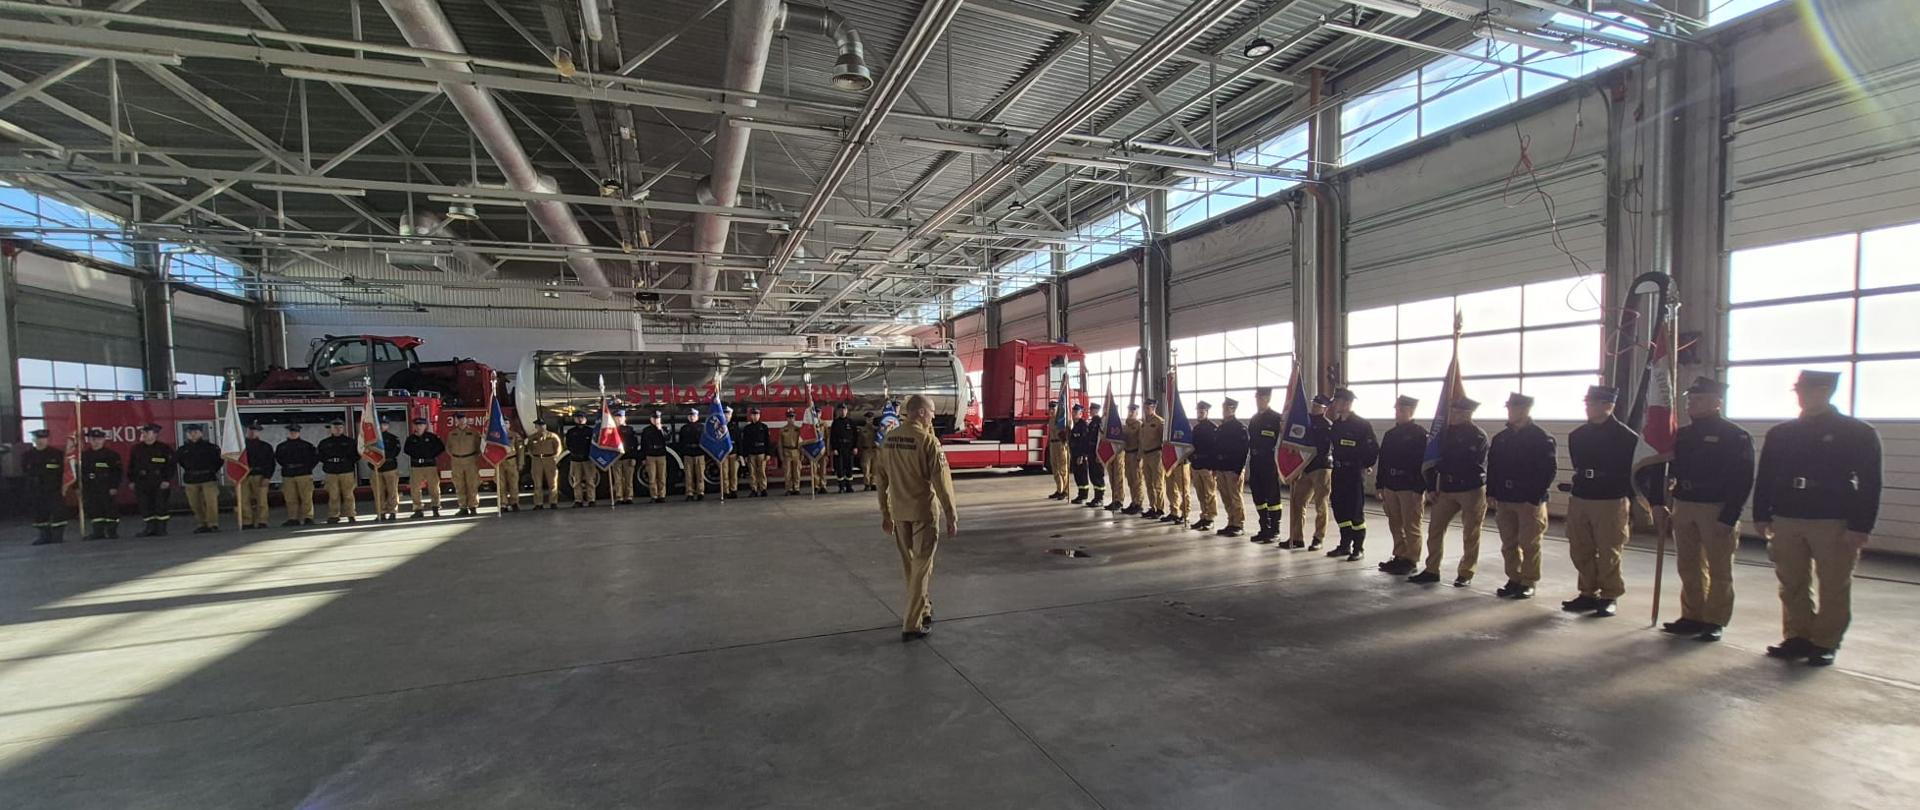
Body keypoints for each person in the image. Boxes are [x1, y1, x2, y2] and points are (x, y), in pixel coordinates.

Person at [1753, 370, 1881, 667]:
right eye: (1798, 389)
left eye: (1807, 389)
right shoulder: (1782, 433)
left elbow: (1870, 482)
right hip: (1787, 514)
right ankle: (1798, 635)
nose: (1801, 394)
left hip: (1832, 516)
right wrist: (1761, 514)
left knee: (1834, 583)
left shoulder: (1856, 432)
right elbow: (1767, 476)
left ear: (1825, 391)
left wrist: (1861, 525)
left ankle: (1825, 642)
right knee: (1791, 580)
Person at [1650, 377, 1753, 642]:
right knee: (1689, 564)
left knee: (1719, 568)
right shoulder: (1680, 435)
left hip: (1715, 507)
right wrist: (1657, 503)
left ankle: (1715, 619)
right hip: (1684, 503)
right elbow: (1660, 469)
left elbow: (1742, 479)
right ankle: (1692, 615)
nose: (1690, 403)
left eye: (1697, 399)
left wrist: (1730, 515)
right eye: (1689, 399)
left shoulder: (1734, 435)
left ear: (1716, 402)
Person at [873, 394, 958, 643]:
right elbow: (942, 484)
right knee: (921, 567)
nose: (933, 415)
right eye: (931, 411)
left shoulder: (889, 439)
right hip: (923, 513)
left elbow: (880, 480)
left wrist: (885, 513)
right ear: (920, 413)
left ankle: (924, 608)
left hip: (899, 513)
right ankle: (912, 624)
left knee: (912, 567)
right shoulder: (928, 441)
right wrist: (952, 514)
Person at [1560, 386, 1639, 618]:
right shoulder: (1577, 435)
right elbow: (1579, 465)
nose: (1588, 407)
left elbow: (1631, 472)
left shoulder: (1626, 437)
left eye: (1593, 404)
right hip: (1582, 495)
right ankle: (1587, 592)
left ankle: (1609, 594)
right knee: (1580, 547)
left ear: (1608, 405)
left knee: (1609, 549)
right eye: (1587, 403)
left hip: (1610, 498)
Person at [1409, 397, 1487, 586]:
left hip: (1470, 489)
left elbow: (1474, 463)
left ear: (1468, 414)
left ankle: (1466, 573)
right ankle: (1432, 569)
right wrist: (1431, 487)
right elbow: (1433, 461)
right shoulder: (1443, 435)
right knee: (1435, 529)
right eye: (1452, 412)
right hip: (1446, 488)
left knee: (1471, 532)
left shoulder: (1478, 435)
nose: (1453, 415)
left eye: (1459, 412)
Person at [1487, 393, 1556, 599]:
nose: (1510, 412)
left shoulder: (1541, 438)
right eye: (1508, 408)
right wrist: (1492, 491)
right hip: (1506, 498)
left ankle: (1528, 581)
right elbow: (1493, 468)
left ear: (1525, 410)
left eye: (1514, 408)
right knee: (1508, 542)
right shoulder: (1501, 438)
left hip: (1529, 500)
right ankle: (1513, 578)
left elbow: (1547, 471)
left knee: (1529, 543)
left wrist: (1534, 497)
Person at [1375, 396, 1427, 575]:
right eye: (1397, 410)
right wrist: (1380, 485)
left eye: (1402, 410)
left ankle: (1411, 559)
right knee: (1395, 523)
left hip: (1409, 487)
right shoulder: (1391, 434)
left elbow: (1423, 465)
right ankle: (1399, 554)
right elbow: (1383, 461)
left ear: (1411, 412)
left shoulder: (1420, 434)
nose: (1398, 413)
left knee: (1411, 525)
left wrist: (1419, 489)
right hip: (1391, 485)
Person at [1324, 390, 1377, 562]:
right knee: (1340, 507)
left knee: (1355, 510)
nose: (1335, 405)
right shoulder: (1337, 425)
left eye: (1337, 401)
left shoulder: (1361, 425)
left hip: (1354, 473)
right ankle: (1345, 544)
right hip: (1338, 472)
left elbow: (1372, 449)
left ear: (1346, 403)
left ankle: (1358, 547)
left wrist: (1365, 465)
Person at [1285, 395, 1335, 550]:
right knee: (1297, 502)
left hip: (1321, 467)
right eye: (1314, 405)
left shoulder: (1327, 425)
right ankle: (1296, 537)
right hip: (1305, 468)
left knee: (1321, 504)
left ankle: (1318, 538)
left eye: (1318, 406)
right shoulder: (1304, 422)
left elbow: (1325, 448)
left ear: (1325, 409)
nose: (1315, 408)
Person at [1245, 388, 1284, 543]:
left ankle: (1275, 530)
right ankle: (1264, 527)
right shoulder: (1254, 419)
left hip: (1270, 462)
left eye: (1261, 398)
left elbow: (1281, 442)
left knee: (1272, 497)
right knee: (1258, 496)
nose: (1258, 400)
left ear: (1268, 399)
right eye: (1257, 398)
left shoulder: (1276, 418)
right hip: (1256, 461)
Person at [127, 423, 177, 537]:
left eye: (146, 432)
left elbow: (171, 466)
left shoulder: (164, 448)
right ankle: (149, 528)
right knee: (145, 505)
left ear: (155, 434)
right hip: (142, 482)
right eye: (143, 433)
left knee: (160, 505)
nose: (143, 435)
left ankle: (161, 528)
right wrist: (132, 480)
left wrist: (166, 480)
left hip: (159, 482)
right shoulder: (137, 449)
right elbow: (131, 466)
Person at [1212, 398, 1249, 538]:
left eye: (1228, 408)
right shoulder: (1221, 427)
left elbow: (1244, 450)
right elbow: (1216, 449)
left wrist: (1239, 469)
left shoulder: (1239, 428)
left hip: (1233, 468)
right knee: (1226, 497)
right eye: (1224, 408)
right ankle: (1231, 522)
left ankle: (1239, 524)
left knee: (1235, 497)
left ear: (1233, 410)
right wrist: (1215, 467)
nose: (1225, 411)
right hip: (1221, 468)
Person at [176, 425, 222, 534]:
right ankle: (202, 524)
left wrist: (212, 470)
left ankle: (213, 524)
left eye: (195, 432)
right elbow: (181, 462)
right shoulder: (182, 450)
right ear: (187, 434)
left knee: (211, 502)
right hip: (191, 479)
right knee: (195, 504)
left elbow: (219, 461)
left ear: (201, 433)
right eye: (190, 432)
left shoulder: (211, 447)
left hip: (208, 478)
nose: (193, 434)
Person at [23, 429, 67, 544]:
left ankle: (58, 536)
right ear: (33, 440)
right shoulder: (27, 456)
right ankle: (44, 536)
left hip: (54, 489)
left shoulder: (57, 454)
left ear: (47, 439)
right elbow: (25, 472)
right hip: (37, 490)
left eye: (43, 438)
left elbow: (64, 472)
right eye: (37, 438)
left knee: (58, 513)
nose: (40, 441)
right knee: (40, 513)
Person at [80, 428, 123, 540]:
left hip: (107, 487)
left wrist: (114, 486)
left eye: (99, 439)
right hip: (91, 488)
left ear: (104, 440)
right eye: (93, 439)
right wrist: (79, 487)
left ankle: (112, 532)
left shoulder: (112, 455)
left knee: (110, 510)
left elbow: (117, 473)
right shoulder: (84, 456)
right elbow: (80, 473)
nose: (96, 441)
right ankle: (97, 532)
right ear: (89, 440)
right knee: (94, 510)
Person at [276, 424, 319, 527]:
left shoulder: (307, 445)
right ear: (288, 433)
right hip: (288, 474)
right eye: (291, 432)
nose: (293, 433)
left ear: (299, 433)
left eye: (295, 432)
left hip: (304, 474)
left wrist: (308, 468)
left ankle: (308, 517)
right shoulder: (281, 446)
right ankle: (292, 518)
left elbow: (315, 458)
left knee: (306, 497)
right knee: (290, 498)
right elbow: (279, 458)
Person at [318, 421, 360, 524]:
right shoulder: (324, 442)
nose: (337, 429)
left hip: (346, 470)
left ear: (343, 429)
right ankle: (334, 515)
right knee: (333, 495)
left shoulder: (350, 442)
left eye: (340, 427)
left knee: (348, 494)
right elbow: (320, 455)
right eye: (335, 427)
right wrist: (328, 463)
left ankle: (351, 515)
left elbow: (357, 454)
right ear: (331, 429)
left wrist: (347, 462)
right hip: (331, 471)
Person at [403, 417, 446, 519]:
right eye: (417, 425)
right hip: (416, 466)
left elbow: (441, 448)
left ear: (425, 426)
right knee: (415, 489)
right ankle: (418, 509)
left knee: (434, 488)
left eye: (421, 425)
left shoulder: (432, 437)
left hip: (430, 465)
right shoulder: (411, 438)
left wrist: (430, 455)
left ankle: (436, 507)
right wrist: (416, 455)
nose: (419, 427)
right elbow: (406, 450)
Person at [237, 423, 275, 529]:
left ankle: (262, 521)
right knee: (244, 501)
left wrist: (267, 477)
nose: (252, 432)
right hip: (243, 476)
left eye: (255, 430)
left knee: (262, 500)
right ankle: (247, 522)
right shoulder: (240, 447)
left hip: (260, 476)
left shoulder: (266, 446)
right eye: (250, 430)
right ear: (247, 431)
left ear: (259, 432)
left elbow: (270, 463)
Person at [445, 415, 485, 516]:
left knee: (472, 485)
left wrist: (473, 457)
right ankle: (463, 507)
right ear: (456, 421)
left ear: (466, 420)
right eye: (458, 419)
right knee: (459, 485)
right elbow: (448, 448)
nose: (461, 421)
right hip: (456, 462)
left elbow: (479, 447)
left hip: (470, 461)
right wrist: (455, 457)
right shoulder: (452, 433)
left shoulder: (474, 433)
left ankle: (473, 507)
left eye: (463, 419)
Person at [1188, 401, 1218, 532]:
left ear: (1207, 412)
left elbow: (1215, 448)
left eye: (1202, 412)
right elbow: (1191, 446)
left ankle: (1210, 518)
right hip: (1196, 465)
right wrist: (1191, 459)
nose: (1199, 414)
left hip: (1207, 466)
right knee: (1200, 493)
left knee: (1209, 493)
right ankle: (1203, 516)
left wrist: (1213, 466)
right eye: (1198, 411)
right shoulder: (1196, 428)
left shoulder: (1213, 428)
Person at [1137, 399, 1168, 520]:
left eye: (1148, 407)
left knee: (1158, 483)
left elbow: (1164, 441)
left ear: (1154, 408)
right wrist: (1139, 455)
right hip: (1146, 455)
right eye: (1145, 407)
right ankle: (1153, 507)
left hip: (1156, 455)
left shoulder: (1159, 422)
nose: (1146, 409)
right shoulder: (1144, 423)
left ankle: (1160, 508)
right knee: (1148, 483)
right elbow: (1141, 440)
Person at [524, 420, 562, 510]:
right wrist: (532, 455)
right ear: (536, 427)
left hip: (549, 459)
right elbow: (529, 448)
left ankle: (553, 502)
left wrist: (555, 457)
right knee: (537, 483)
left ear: (545, 426)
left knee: (552, 482)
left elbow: (558, 447)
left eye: (542, 425)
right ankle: (538, 503)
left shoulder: (552, 436)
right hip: (537, 460)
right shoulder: (532, 437)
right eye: (538, 426)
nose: (541, 427)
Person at [372, 417, 404, 522]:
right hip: (376, 468)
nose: (382, 426)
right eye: (380, 424)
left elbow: (395, 452)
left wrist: (383, 458)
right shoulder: (372, 439)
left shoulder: (393, 438)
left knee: (392, 491)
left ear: (388, 426)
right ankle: (381, 513)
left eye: (384, 424)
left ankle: (392, 512)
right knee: (378, 492)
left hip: (390, 468)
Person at [639, 410, 671, 504]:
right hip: (650, 455)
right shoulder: (646, 430)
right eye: (654, 418)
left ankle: (662, 495)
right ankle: (654, 495)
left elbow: (667, 439)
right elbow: (643, 445)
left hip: (661, 454)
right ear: (651, 419)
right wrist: (643, 458)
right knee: (652, 477)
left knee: (662, 476)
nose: (655, 420)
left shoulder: (665, 428)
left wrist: (660, 429)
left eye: (657, 418)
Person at [1103, 404, 1130, 513]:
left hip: (1118, 453)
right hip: (1109, 453)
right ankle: (1115, 498)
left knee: (1118, 477)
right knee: (1112, 477)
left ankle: (1119, 500)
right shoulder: (1104, 423)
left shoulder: (1120, 423)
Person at [1081, 402, 1108, 508]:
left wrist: (1099, 455)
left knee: (1098, 476)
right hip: (1091, 453)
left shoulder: (1099, 423)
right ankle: (1096, 497)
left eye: (1091, 409)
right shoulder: (1092, 423)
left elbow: (1100, 440)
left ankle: (1100, 498)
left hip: (1096, 454)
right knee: (1093, 476)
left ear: (1096, 411)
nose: (1090, 411)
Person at [829, 402, 860, 494]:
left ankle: (849, 486)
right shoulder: (835, 423)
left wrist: (855, 447)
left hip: (849, 448)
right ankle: (841, 487)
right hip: (839, 448)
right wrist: (834, 448)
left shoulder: (851, 422)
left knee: (849, 468)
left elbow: (856, 436)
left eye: (844, 409)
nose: (843, 411)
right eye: (841, 410)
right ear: (838, 411)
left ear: (847, 411)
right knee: (840, 468)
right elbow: (832, 437)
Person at [612, 410, 640, 506]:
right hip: (616, 458)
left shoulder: (630, 429)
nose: (618, 419)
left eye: (620, 417)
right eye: (617, 417)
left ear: (624, 418)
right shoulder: (612, 430)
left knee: (628, 479)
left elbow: (634, 444)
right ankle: (619, 497)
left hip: (628, 457)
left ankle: (629, 497)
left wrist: (634, 457)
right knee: (617, 479)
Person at [742, 407, 772, 497]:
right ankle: (754, 489)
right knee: (752, 473)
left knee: (762, 472)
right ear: (751, 416)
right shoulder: (747, 428)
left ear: (759, 415)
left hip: (761, 453)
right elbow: (745, 442)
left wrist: (768, 453)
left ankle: (763, 489)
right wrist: (745, 455)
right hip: (751, 453)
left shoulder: (764, 427)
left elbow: (767, 441)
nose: (755, 416)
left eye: (757, 414)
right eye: (753, 414)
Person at [495, 424, 525, 513]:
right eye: (503, 423)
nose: (505, 425)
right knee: (501, 485)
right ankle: (503, 504)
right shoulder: (495, 435)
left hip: (511, 461)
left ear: (509, 425)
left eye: (506, 423)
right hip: (500, 462)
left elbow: (520, 450)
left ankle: (514, 502)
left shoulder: (514, 435)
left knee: (514, 483)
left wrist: (520, 463)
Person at [678, 408, 707, 501]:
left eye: (694, 415)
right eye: (690, 416)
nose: (692, 417)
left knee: (700, 475)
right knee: (688, 475)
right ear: (688, 417)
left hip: (699, 453)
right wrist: (683, 452)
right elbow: (681, 442)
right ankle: (689, 493)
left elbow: (705, 441)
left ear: (697, 417)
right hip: (688, 453)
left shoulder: (702, 427)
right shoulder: (684, 428)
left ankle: (700, 492)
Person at [1046, 400, 1072, 501]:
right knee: (1055, 468)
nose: (1051, 410)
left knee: (1062, 468)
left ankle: (1065, 491)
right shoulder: (1051, 420)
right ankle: (1059, 489)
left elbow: (1069, 429)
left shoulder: (1062, 419)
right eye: (1050, 408)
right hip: (1053, 444)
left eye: (1053, 408)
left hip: (1060, 444)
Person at [1121, 403, 1145, 514]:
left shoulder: (1139, 425)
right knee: (1130, 480)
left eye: (1133, 411)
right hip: (1127, 454)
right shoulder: (1126, 425)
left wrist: (1140, 456)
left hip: (1135, 454)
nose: (1130, 413)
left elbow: (1141, 441)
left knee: (1137, 480)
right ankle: (1133, 501)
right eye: (1129, 411)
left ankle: (1138, 503)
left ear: (1137, 413)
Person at [780, 409, 805, 496]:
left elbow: (801, 443)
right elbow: (780, 444)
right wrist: (781, 456)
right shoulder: (782, 430)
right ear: (786, 418)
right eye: (789, 417)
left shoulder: (798, 429)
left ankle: (796, 488)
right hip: (786, 451)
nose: (791, 419)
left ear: (795, 418)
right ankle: (789, 489)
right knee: (787, 472)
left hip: (796, 451)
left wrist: (802, 454)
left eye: (792, 417)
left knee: (797, 472)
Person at [720, 406, 743, 497]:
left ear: (731, 415)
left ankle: (733, 490)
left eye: (728, 414)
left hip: (734, 454)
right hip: (724, 454)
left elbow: (739, 441)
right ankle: (726, 491)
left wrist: (740, 454)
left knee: (734, 474)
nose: (726, 416)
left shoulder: (734, 427)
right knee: (724, 474)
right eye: (725, 414)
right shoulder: (720, 427)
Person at [809, 406, 832, 495]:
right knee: (814, 469)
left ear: (820, 414)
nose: (817, 414)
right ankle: (816, 485)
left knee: (823, 469)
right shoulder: (810, 424)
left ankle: (823, 485)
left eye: (819, 413)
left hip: (822, 448)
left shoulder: (824, 424)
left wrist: (827, 450)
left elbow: (827, 437)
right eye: (816, 413)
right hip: (814, 449)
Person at [859, 411, 879, 492]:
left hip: (875, 450)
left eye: (871, 418)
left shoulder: (877, 429)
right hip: (866, 450)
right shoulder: (862, 430)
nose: (869, 420)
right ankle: (866, 484)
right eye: (868, 418)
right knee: (865, 468)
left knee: (875, 468)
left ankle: (873, 483)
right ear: (866, 419)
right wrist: (859, 449)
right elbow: (859, 440)